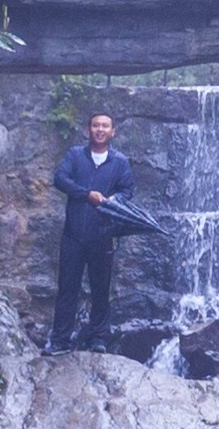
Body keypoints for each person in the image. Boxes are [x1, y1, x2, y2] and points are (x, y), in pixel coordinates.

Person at [50, 110, 149, 349]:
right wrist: (87, 194)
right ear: (88, 130)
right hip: (73, 234)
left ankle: (98, 338)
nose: (100, 129)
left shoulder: (120, 162)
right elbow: (60, 179)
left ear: (113, 132)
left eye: (105, 126)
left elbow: (128, 190)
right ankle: (60, 340)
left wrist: (113, 200)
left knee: (100, 289)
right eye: (96, 125)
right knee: (67, 288)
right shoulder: (75, 156)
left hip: (103, 235)